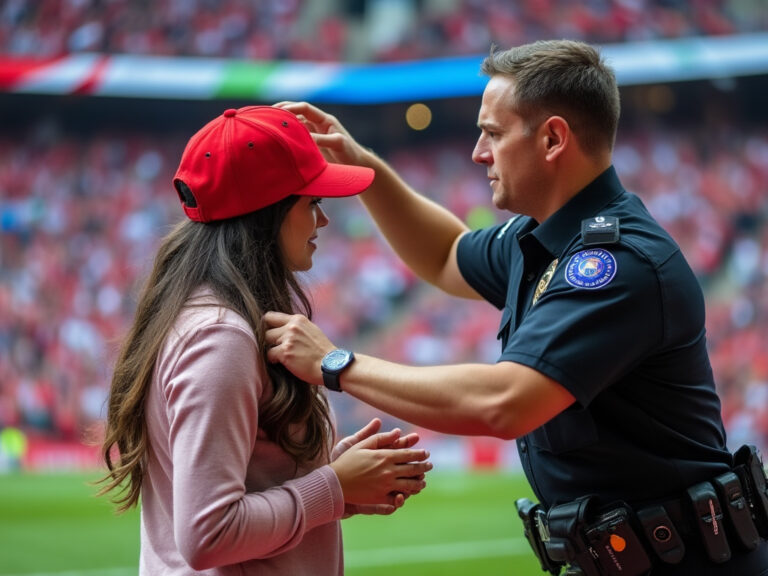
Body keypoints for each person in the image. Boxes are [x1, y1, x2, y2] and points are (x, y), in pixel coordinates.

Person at [264, 40, 768, 575]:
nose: (479, 152)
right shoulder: (539, 238)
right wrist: (362, 166)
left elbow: (506, 402)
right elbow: (442, 255)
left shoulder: (614, 263)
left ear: (553, 138)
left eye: (494, 133)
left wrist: (336, 364)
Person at [97, 105, 432, 576]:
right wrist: (332, 487)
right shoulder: (221, 338)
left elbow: (246, 485)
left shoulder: (207, 314)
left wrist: (333, 478)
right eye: (312, 203)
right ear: (267, 213)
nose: (324, 221)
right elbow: (207, 533)